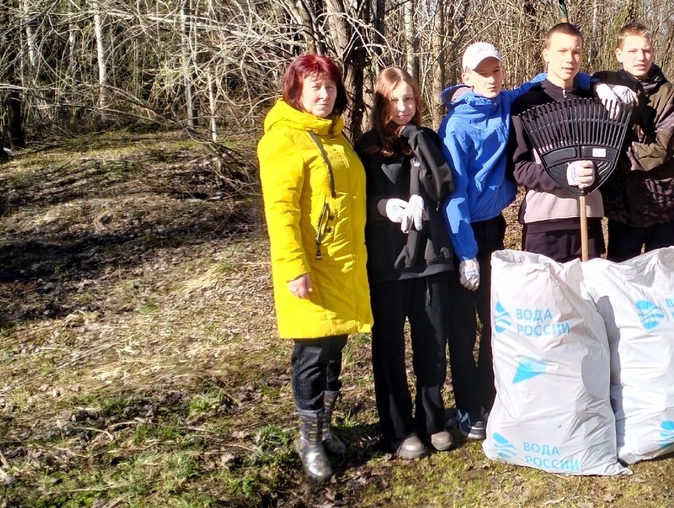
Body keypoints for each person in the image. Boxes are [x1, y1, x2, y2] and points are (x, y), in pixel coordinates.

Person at [439, 43, 611, 438]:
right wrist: (466, 253)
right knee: (466, 326)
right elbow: (455, 196)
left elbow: (546, 79)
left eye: (497, 70)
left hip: (494, 226)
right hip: (462, 231)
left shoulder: (506, 102)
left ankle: (495, 396)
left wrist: (593, 80)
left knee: (497, 318)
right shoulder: (456, 126)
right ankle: (468, 408)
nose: (492, 78)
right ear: (467, 76)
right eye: (483, 72)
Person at [257, 54, 371, 484]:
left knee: (334, 349)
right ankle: (308, 438)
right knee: (310, 354)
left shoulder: (336, 138)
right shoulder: (283, 140)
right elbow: (281, 210)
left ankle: (325, 427)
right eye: (314, 87)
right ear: (297, 92)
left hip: (342, 265)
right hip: (310, 267)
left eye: (329, 87)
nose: (324, 95)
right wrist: (293, 267)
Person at [355, 67, 457, 460]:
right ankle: (398, 430)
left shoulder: (426, 138)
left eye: (409, 99)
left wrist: (415, 136)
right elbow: (358, 201)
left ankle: (433, 421)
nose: (403, 107)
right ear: (381, 102)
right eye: (395, 100)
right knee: (390, 351)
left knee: (432, 345)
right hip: (389, 263)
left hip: (431, 258)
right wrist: (385, 207)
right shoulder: (365, 148)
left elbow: (443, 185)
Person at [508, 22, 610, 262]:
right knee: (547, 298)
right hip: (544, 223)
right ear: (546, 55)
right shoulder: (527, 104)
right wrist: (561, 174)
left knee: (587, 298)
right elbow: (518, 168)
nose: (570, 59)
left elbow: (609, 157)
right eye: (562, 51)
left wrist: (597, 170)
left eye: (576, 51)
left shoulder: (595, 103)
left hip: (588, 218)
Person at [592, 22, 674, 261]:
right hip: (621, 208)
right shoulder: (605, 82)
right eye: (633, 51)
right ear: (619, 54)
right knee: (623, 278)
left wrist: (614, 156)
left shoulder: (667, 92)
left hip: (662, 202)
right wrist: (597, 85)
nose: (641, 57)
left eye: (646, 50)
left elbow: (660, 150)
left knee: (662, 276)